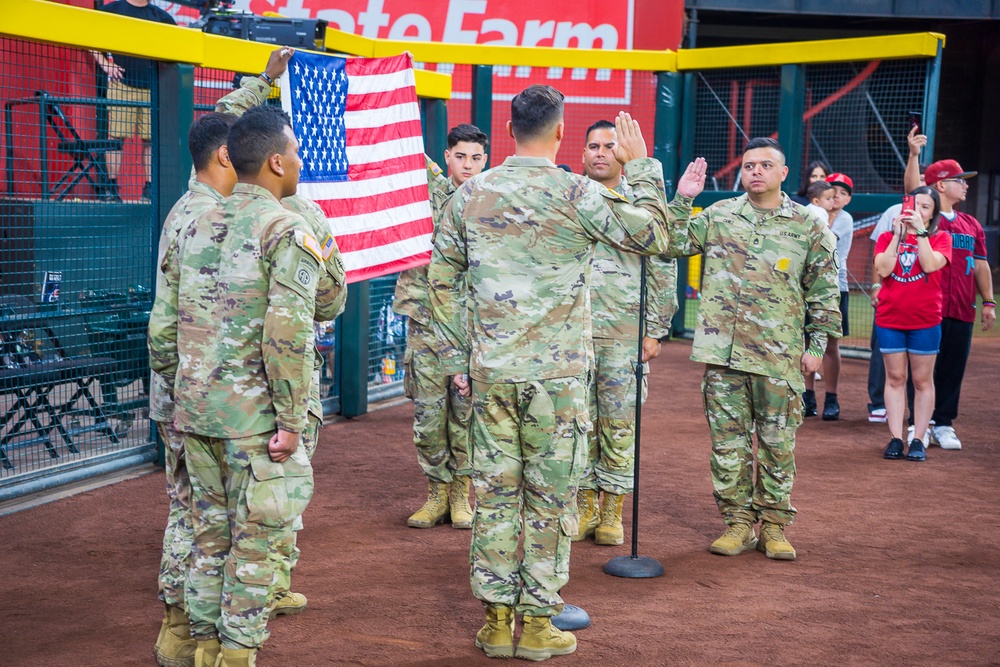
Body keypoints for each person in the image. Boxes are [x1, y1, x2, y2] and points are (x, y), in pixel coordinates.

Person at [428, 85, 702, 661]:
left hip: (493, 374)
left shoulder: (471, 194)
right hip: (557, 380)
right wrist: (644, 165)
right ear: (558, 134)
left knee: (497, 497)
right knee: (550, 500)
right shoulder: (578, 192)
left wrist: (458, 359)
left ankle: (497, 625)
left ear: (507, 132)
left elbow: (442, 283)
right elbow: (657, 236)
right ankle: (538, 624)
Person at [148, 105, 343, 667]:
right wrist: (290, 420)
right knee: (258, 545)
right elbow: (287, 333)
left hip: (195, 413)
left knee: (209, 543)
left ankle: (203, 648)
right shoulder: (286, 228)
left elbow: (162, 327)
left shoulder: (195, 220)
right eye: (298, 154)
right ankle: (235, 655)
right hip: (255, 422)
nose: (302, 163)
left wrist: (185, 392)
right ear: (278, 162)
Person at [665, 137, 841, 562]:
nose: (755, 171)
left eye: (765, 165)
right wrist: (681, 200)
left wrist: (816, 346)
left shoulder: (808, 224)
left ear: (783, 174)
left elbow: (823, 291)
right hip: (723, 356)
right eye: (748, 166)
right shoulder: (720, 215)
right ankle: (738, 523)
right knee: (729, 446)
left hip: (779, 357)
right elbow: (670, 244)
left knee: (778, 445)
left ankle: (775, 526)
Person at [148, 111, 237, 667]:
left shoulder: (187, 205)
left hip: (176, 389)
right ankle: (184, 629)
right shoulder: (209, 218)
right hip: (196, 393)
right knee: (200, 514)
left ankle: (181, 628)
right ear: (227, 156)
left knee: (190, 508)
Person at [575, 119, 678, 546]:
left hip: (624, 334)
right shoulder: (570, 197)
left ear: (623, 154)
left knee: (619, 425)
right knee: (577, 424)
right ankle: (584, 507)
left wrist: (655, 328)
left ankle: (612, 511)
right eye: (593, 146)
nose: (600, 152)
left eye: (609, 146)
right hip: (572, 335)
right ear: (581, 153)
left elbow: (663, 264)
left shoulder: (642, 204)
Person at [393, 124, 488, 530]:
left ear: (487, 159)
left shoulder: (493, 200)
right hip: (427, 323)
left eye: (476, 157)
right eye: (460, 156)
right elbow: (403, 143)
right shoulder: (427, 188)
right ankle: (435, 495)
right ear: (447, 157)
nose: (468, 164)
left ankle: (461, 496)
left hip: (473, 326)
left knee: (465, 415)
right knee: (429, 417)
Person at [903, 159, 996, 450]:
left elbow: (981, 266)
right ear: (941, 184)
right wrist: (914, 153)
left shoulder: (971, 224)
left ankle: (943, 423)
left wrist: (988, 302)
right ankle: (917, 425)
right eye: (960, 179)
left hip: (961, 308)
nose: (966, 185)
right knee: (921, 369)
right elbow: (910, 190)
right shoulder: (923, 219)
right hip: (927, 307)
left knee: (953, 367)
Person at [873, 187, 952, 461]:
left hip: (925, 321)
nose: (918, 211)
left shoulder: (941, 238)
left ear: (933, 214)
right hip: (890, 319)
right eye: (914, 204)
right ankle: (896, 437)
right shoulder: (886, 237)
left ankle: (918, 438)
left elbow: (930, 265)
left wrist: (919, 234)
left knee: (921, 380)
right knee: (895, 378)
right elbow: (883, 269)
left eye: (925, 207)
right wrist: (897, 235)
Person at [866, 128, 928, 423]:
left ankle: (923, 415)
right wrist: (876, 285)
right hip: (892, 296)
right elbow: (877, 259)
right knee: (886, 357)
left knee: (921, 368)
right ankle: (878, 402)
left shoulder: (937, 227)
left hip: (924, 306)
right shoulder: (894, 213)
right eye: (922, 183)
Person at [92, 0, 176, 200]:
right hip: (122, 86)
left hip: (152, 88)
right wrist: (105, 64)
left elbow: (176, 46)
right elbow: (89, 36)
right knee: (116, 138)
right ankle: (110, 188)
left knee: (151, 140)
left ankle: (150, 190)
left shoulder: (160, 16)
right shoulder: (112, 10)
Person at [802, 172, 853, 420]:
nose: (836, 200)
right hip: (804, 287)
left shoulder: (844, 219)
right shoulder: (812, 213)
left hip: (834, 287)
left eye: (841, 195)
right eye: (832, 195)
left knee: (830, 343)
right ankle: (807, 396)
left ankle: (831, 397)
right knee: (806, 341)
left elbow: (824, 240)